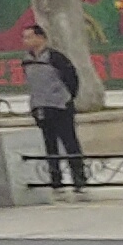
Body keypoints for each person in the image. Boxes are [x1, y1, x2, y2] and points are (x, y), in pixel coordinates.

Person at [19, 20, 88, 194]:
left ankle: (79, 178)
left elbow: (72, 79)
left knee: (69, 142)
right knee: (50, 144)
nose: (25, 40)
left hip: (60, 106)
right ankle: (55, 180)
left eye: (29, 37)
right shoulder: (27, 60)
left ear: (41, 37)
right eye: (24, 37)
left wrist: (66, 98)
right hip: (40, 107)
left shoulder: (56, 58)